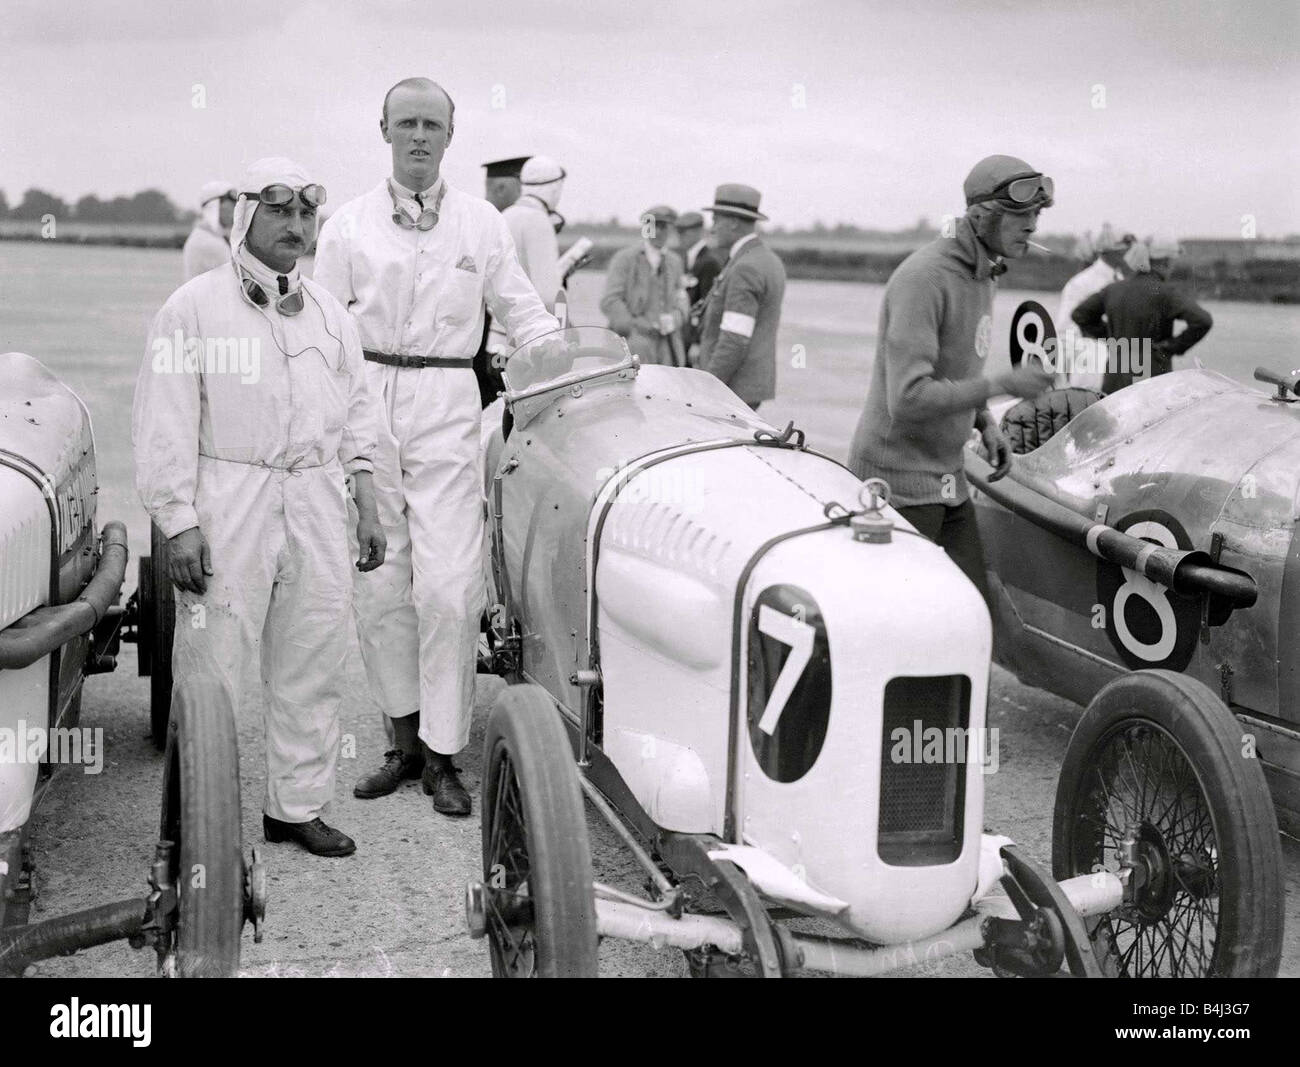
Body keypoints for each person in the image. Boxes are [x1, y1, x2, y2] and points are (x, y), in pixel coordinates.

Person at [313, 77, 557, 816]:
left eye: (433, 125)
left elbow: (524, 311)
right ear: (383, 129)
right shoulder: (346, 227)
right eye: (406, 123)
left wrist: (566, 370)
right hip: (367, 402)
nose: (419, 136)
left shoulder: (482, 224)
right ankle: (404, 741)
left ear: (451, 136)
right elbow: (322, 328)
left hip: (451, 405)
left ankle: (448, 756)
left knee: (449, 586)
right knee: (382, 584)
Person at [133, 157, 385, 858]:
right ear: (247, 216)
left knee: (313, 655)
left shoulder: (332, 314)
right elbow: (165, 424)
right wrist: (178, 521)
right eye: (280, 212)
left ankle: (295, 806)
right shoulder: (193, 308)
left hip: (314, 497)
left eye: (306, 214)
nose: (296, 226)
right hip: (228, 500)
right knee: (214, 662)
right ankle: (193, 816)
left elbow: (359, 417)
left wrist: (366, 501)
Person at [847, 155, 1057, 603]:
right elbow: (908, 397)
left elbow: (957, 368)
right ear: (983, 217)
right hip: (896, 484)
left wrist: (985, 422)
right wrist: (1003, 385)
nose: (1033, 226)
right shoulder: (925, 279)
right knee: (910, 621)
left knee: (972, 609)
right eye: (1022, 215)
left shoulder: (985, 273)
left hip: (947, 477)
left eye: (1037, 214)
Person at [1071, 234, 1213, 394]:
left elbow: (1080, 314)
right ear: (1166, 262)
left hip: (1116, 374)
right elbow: (1203, 320)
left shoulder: (1114, 289)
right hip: (1153, 375)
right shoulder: (1165, 292)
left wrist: (1111, 337)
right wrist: (1169, 348)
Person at [696, 184, 786, 409]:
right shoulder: (767, 259)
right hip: (747, 386)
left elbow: (734, 340)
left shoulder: (745, 267)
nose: (712, 227)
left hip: (732, 389)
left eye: (716, 219)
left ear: (734, 222)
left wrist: (705, 387)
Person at [484, 154, 566, 353]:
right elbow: (548, 294)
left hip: (496, 342)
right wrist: (564, 331)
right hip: (528, 347)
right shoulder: (538, 221)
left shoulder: (505, 216)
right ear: (555, 188)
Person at [599, 204, 688, 366]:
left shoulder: (675, 262)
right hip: (632, 342)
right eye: (653, 226)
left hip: (667, 346)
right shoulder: (625, 259)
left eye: (663, 227)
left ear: (670, 229)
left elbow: (682, 297)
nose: (658, 232)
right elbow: (610, 300)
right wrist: (631, 330)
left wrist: (675, 319)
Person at [1054, 226, 1134, 389]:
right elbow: (1065, 331)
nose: (1129, 252)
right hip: (1091, 369)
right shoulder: (1081, 283)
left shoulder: (1121, 279)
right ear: (1113, 251)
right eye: (1126, 248)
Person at [673, 210, 722, 352]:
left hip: (697, 340)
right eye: (679, 232)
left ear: (698, 231)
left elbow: (708, 305)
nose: (680, 237)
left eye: (684, 232)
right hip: (684, 336)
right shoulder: (687, 259)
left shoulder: (709, 262)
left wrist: (697, 342)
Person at [181, 180, 235, 280]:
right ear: (215, 206)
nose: (236, 208)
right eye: (232, 204)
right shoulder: (209, 243)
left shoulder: (204, 235)